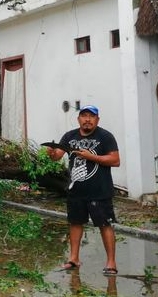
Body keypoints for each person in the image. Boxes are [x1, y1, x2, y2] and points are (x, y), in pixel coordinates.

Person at [46, 105, 120, 275]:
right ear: (78, 119)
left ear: (97, 119)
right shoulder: (69, 136)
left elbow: (115, 160)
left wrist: (91, 157)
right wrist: (51, 152)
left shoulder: (105, 136)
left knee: (105, 224)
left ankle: (111, 262)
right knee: (75, 223)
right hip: (76, 191)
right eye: (84, 116)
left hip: (99, 192)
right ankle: (73, 259)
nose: (87, 119)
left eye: (91, 116)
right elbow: (57, 157)